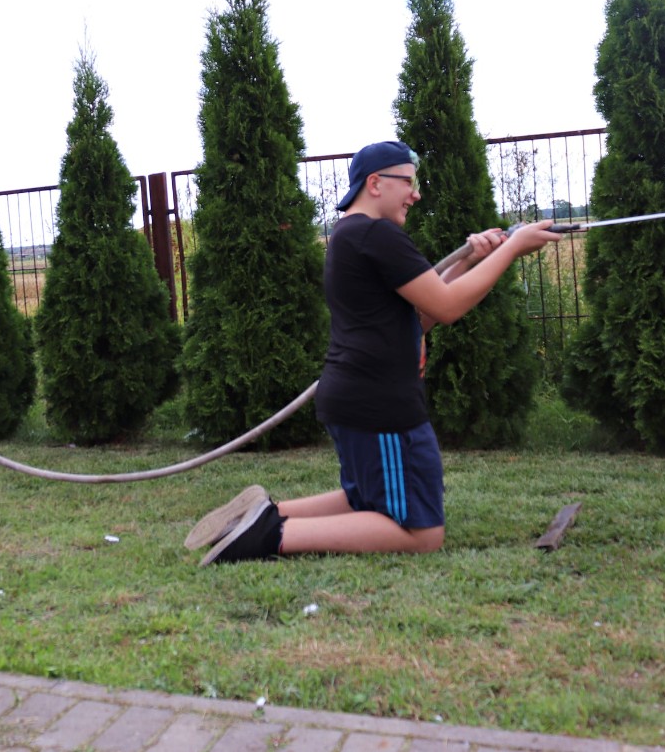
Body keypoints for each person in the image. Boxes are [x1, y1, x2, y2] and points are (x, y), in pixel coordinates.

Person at [186, 140, 560, 565]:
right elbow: (447, 307)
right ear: (376, 183)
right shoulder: (377, 235)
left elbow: (419, 315)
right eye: (409, 182)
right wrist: (512, 249)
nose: (416, 193)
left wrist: (472, 259)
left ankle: (266, 515)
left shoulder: (351, 235)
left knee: (367, 495)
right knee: (421, 532)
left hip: (358, 398)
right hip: (381, 404)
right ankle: (269, 535)